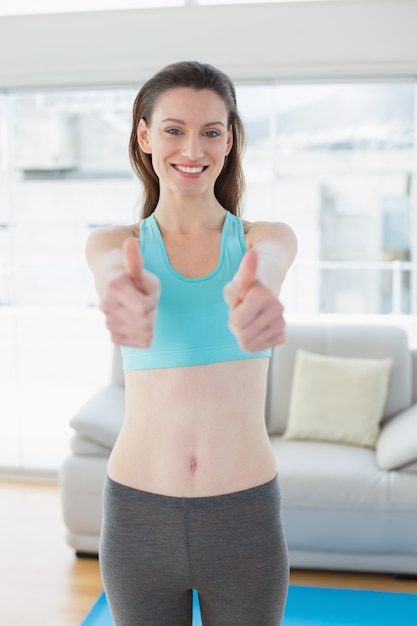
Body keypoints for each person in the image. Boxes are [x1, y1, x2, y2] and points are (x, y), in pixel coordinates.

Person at [86, 61, 297, 626]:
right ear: (145, 135)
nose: (192, 148)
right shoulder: (115, 243)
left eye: (211, 131)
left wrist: (260, 291)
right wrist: (122, 293)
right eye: (174, 129)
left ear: (229, 140)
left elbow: (271, 264)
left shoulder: (263, 239)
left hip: (245, 520)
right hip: (137, 520)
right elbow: (110, 271)